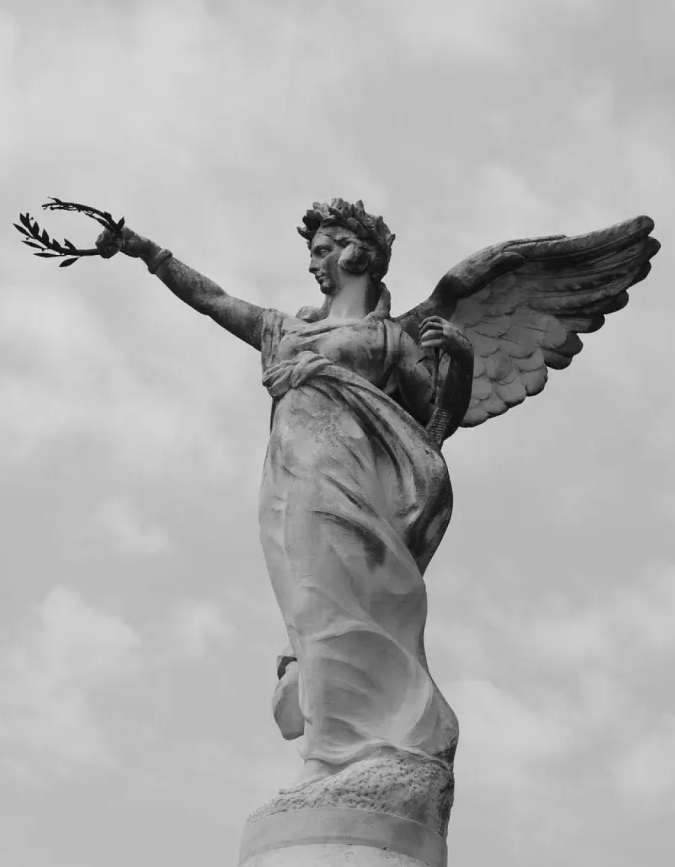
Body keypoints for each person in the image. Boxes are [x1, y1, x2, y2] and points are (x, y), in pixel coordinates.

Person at [96, 199, 474, 786]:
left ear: (358, 253)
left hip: (353, 482)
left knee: (350, 600)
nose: (315, 264)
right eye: (314, 253)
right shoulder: (285, 329)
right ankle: (329, 746)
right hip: (291, 479)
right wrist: (146, 252)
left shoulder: (387, 340)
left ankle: (357, 748)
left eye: (324, 250)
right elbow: (215, 301)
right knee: (311, 600)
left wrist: (463, 362)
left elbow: (435, 427)